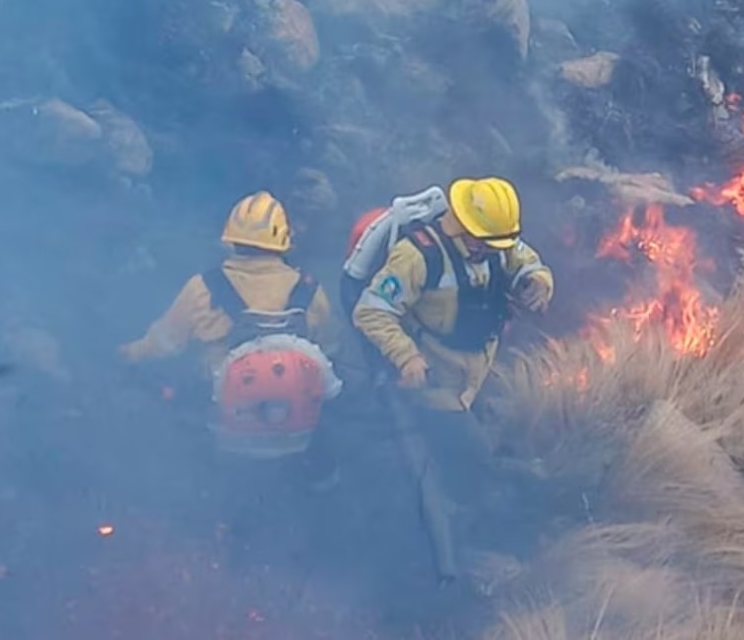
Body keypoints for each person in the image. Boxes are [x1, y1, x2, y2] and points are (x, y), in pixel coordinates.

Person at [347, 176, 553, 583]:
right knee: (474, 464)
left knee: (481, 444)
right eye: (489, 244)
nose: (499, 251)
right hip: (436, 385)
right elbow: (369, 311)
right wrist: (407, 358)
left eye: (502, 243)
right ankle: (467, 547)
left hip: (477, 372)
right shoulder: (417, 257)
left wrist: (539, 282)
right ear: (462, 227)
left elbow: (527, 260)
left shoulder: (495, 243)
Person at [119, 190, 344, 481]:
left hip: (226, 422)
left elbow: (164, 343)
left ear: (231, 240)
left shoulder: (202, 289)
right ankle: (324, 481)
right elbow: (330, 348)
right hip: (297, 424)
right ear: (283, 243)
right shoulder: (310, 291)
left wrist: (127, 354)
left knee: (184, 410)